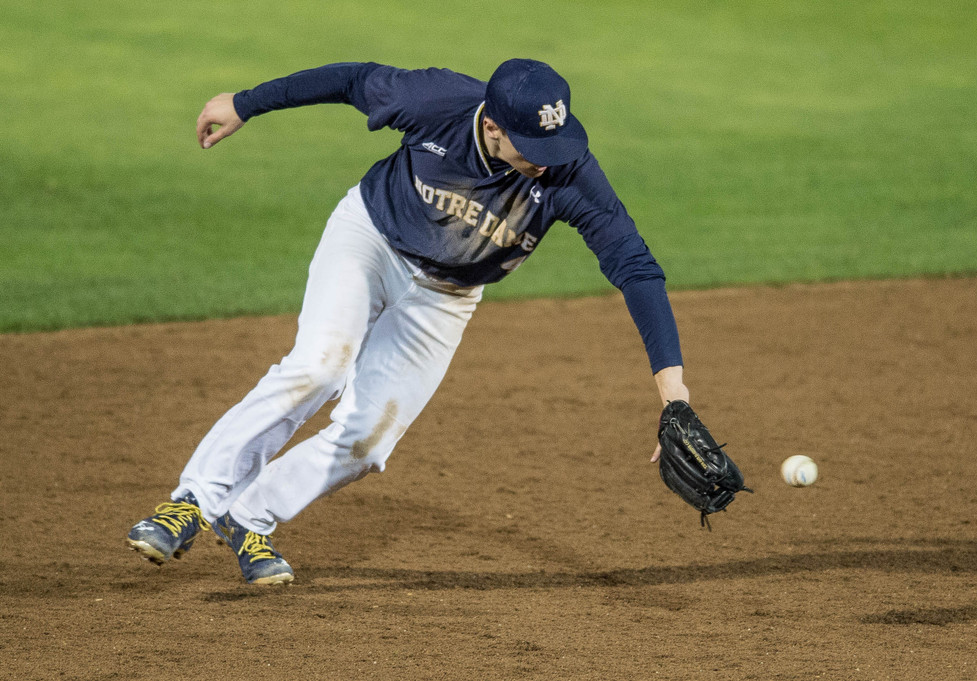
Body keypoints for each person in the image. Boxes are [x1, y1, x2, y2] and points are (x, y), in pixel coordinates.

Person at [127, 58, 690, 585]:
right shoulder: (433, 101)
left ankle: (249, 516)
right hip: (369, 242)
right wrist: (246, 103)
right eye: (532, 143)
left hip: (447, 295)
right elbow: (351, 80)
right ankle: (192, 502)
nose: (548, 156)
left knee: (370, 442)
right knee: (319, 367)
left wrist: (673, 390)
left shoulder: (568, 172)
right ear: (491, 126)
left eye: (556, 139)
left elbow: (634, 266)